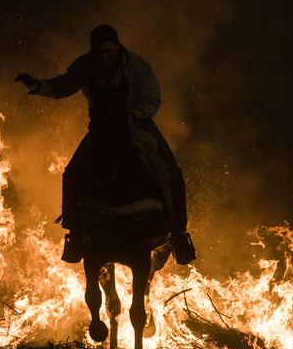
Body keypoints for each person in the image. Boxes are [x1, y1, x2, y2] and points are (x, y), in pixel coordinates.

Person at [15, 24, 195, 264]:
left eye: (109, 52)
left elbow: (153, 99)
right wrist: (38, 87)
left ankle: (178, 235)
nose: (104, 57)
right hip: (101, 129)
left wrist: (133, 115)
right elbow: (63, 86)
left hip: (137, 124)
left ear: (117, 47)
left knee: (171, 173)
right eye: (99, 53)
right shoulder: (86, 65)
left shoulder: (138, 67)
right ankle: (75, 233)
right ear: (92, 51)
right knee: (72, 173)